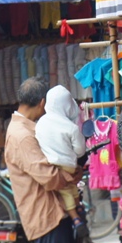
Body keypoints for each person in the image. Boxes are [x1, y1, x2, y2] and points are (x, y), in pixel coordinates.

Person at [2, 76, 95, 243]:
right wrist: (73, 175)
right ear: (42, 102)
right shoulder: (22, 135)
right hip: (45, 213)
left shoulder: (30, 128)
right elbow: (48, 176)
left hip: (56, 209)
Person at [35, 84, 86, 217]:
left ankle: (75, 217)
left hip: (51, 166)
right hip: (70, 166)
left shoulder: (40, 123)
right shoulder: (71, 127)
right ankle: (78, 210)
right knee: (72, 187)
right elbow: (80, 151)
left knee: (65, 191)